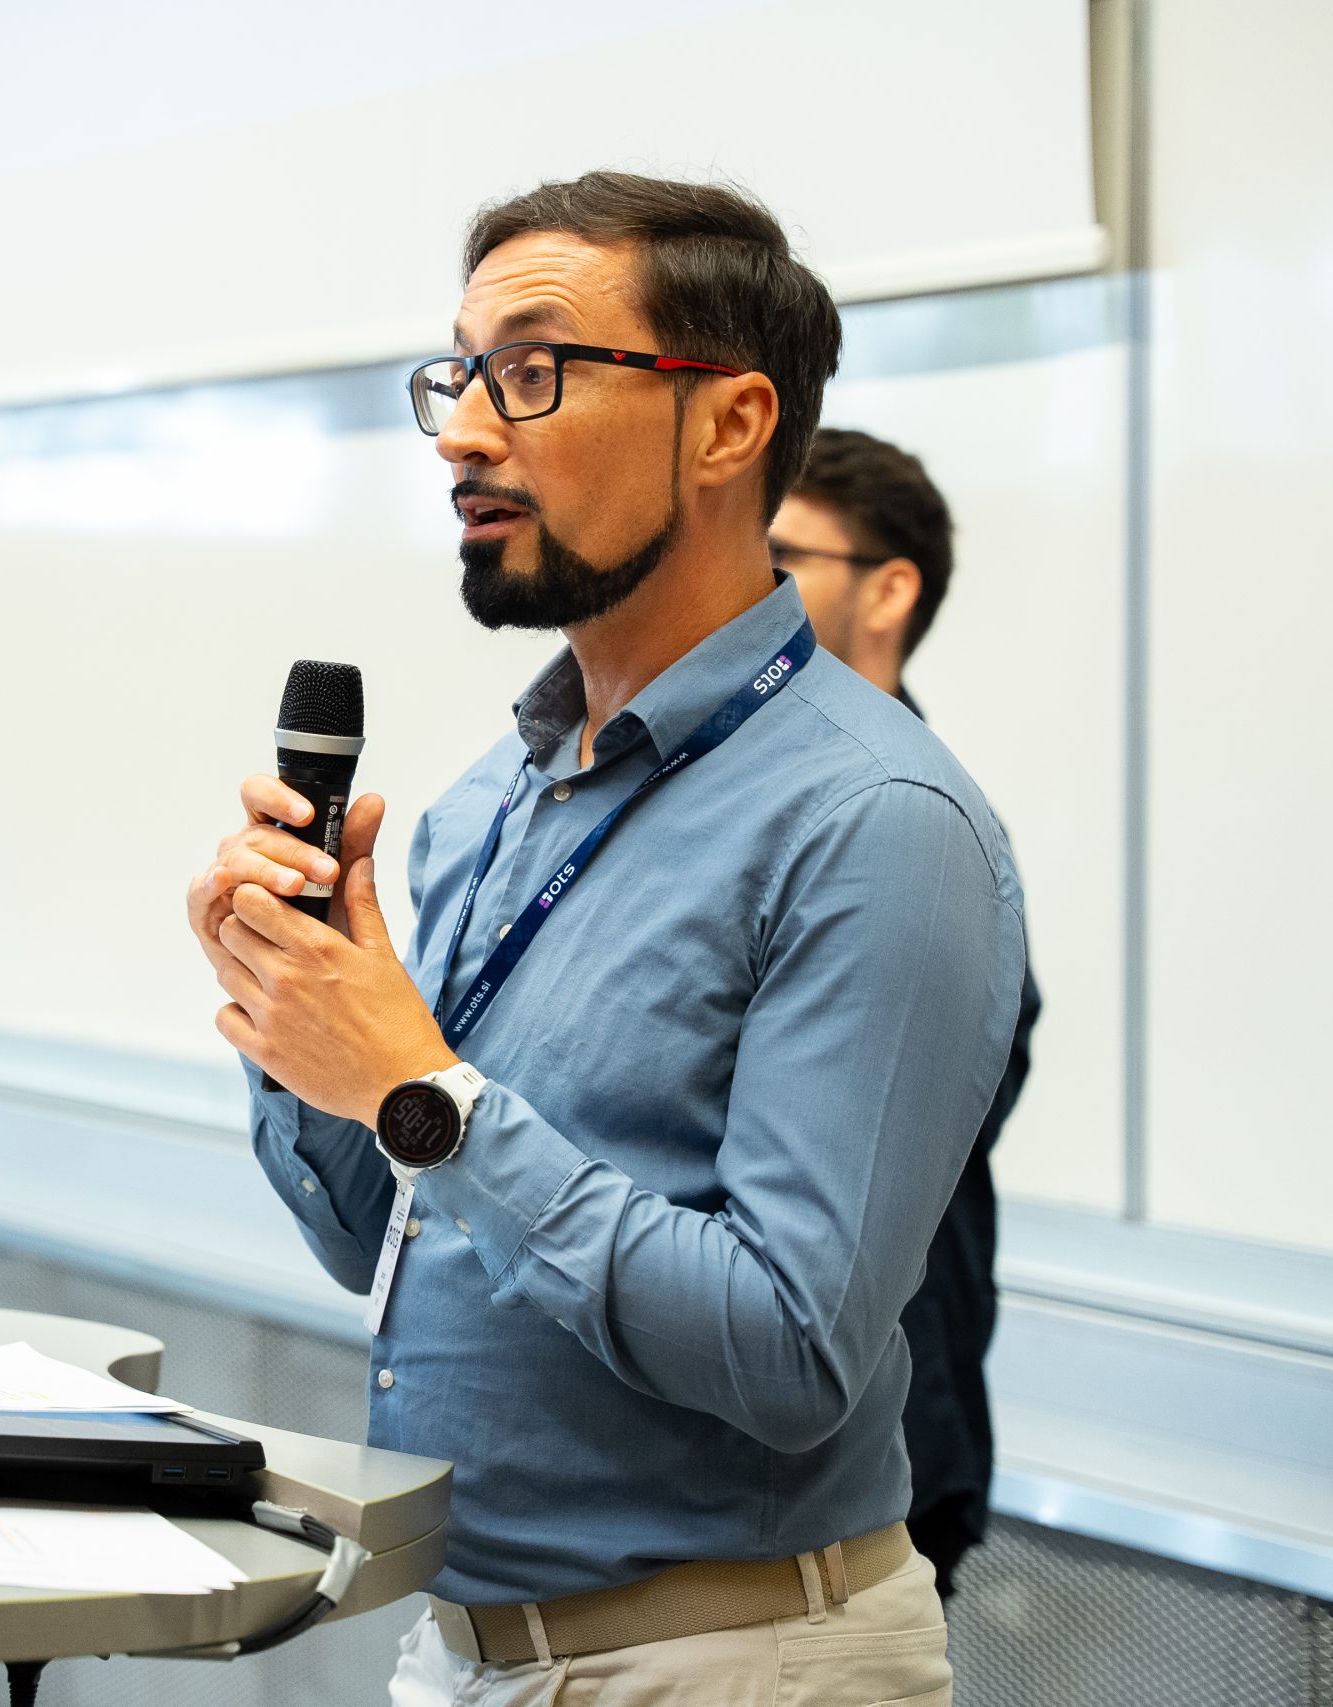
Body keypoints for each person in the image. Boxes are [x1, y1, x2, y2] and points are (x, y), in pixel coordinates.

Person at [186, 173, 1026, 1705]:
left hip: (733, 1658)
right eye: (459, 373)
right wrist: (298, 1007)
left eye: (531, 369)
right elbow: (389, 1236)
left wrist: (427, 1092)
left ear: (728, 423)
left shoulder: (875, 821)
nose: (462, 430)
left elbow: (792, 1350)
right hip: (465, 1647)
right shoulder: (491, 800)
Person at [773, 427, 1044, 1599]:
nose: (738, 588)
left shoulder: (915, 826)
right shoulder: (761, 797)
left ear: (887, 591)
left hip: (869, 1461)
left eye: (778, 559)